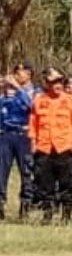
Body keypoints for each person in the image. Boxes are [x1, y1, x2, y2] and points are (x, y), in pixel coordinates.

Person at [29, 68, 72, 223]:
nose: (58, 85)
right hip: (44, 148)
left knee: (66, 183)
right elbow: (33, 124)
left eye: (60, 81)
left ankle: (66, 215)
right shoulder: (39, 101)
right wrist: (33, 143)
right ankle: (48, 214)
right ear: (47, 84)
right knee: (46, 184)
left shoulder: (71, 101)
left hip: (65, 148)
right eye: (53, 82)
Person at [0, 60, 38, 220]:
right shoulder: (7, 92)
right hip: (6, 135)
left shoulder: (34, 92)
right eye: (14, 73)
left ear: (28, 75)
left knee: (26, 171)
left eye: (19, 73)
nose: (15, 75)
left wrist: (17, 87)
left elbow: (33, 107)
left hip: (24, 135)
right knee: (1, 171)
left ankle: (26, 205)